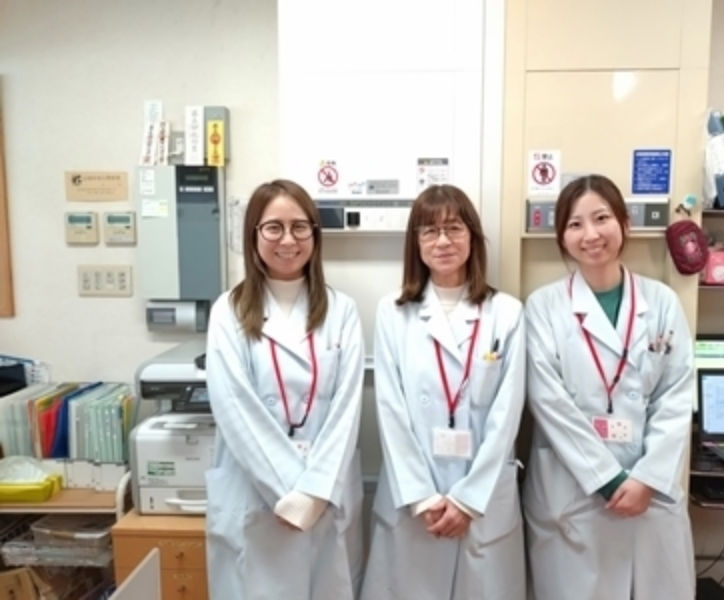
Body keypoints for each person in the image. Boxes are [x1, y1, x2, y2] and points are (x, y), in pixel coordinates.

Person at [523, 174, 695, 600]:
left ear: (624, 223)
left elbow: (675, 397)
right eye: (575, 224)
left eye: (601, 218)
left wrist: (647, 479)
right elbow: (548, 402)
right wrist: (607, 479)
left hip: (649, 491)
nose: (591, 234)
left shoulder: (661, 302)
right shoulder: (544, 307)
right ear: (562, 237)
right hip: (574, 492)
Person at [361, 184, 526, 600]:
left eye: (454, 228)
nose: (443, 241)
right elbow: (390, 410)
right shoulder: (393, 312)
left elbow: (506, 416)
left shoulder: (506, 313)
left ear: (472, 236)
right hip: (415, 501)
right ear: (415, 243)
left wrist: (468, 501)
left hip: (482, 500)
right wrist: (422, 497)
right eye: (430, 231)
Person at [204, 179, 365, 600]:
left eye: (300, 227)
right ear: (253, 235)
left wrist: (313, 494)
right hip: (256, 496)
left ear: (315, 233)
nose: (288, 240)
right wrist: (289, 495)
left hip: (325, 495)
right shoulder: (228, 311)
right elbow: (235, 408)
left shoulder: (342, 311)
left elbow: (347, 411)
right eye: (274, 227)